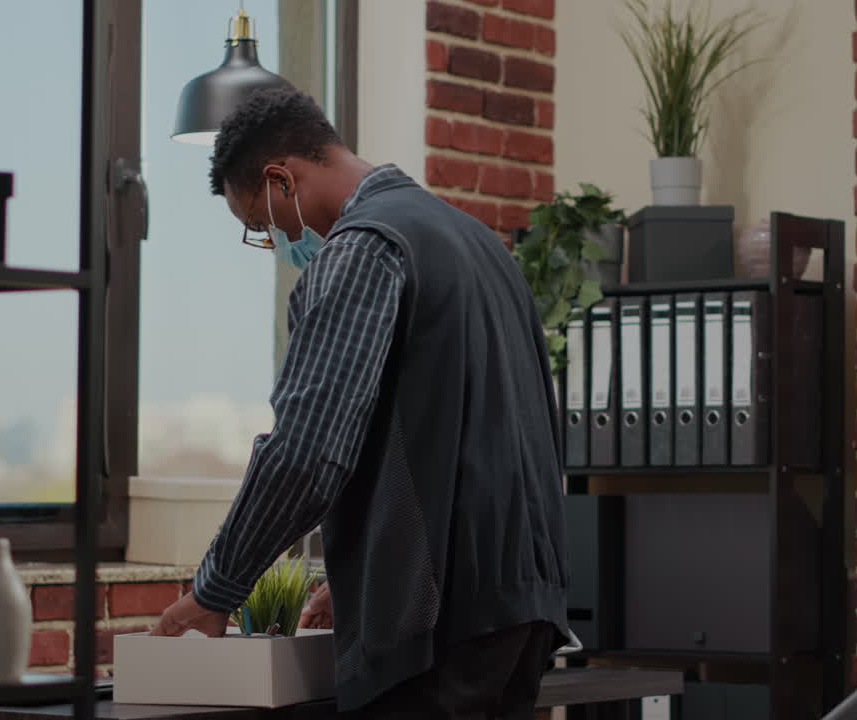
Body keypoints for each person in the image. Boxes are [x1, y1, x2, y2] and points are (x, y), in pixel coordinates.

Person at [150, 86, 570, 720]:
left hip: (439, 626)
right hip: (521, 606)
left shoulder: (364, 248)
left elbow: (306, 451)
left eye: (263, 226)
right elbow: (464, 436)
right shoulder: (481, 246)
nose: (280, 241)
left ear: (279, 179)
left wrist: (216, 589)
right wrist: (367, 579)